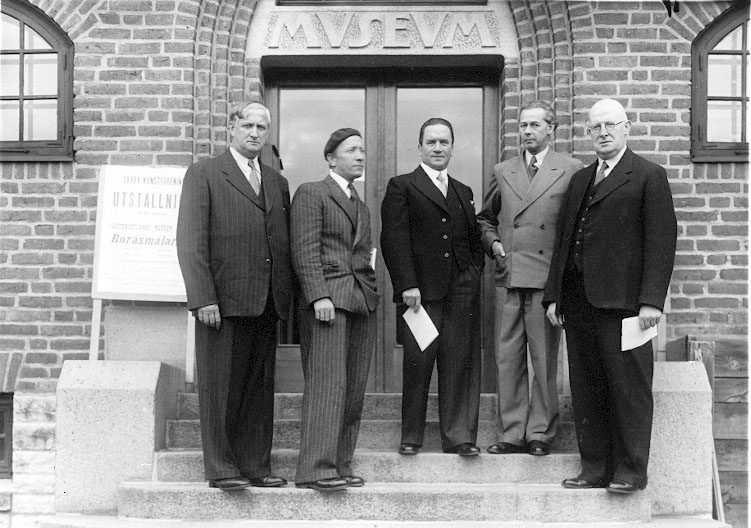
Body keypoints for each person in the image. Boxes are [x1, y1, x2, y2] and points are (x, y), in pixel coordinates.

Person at [543, 98, 677, 494]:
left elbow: (661, 241)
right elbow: (564, 240)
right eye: (596, 127)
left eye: (610, 125)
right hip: (579, 301)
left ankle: (631, 471)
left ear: (626, 128)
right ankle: (594, 468)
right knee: (587, 387)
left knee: (628, 388)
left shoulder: (648, 175)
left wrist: (651, 301)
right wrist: (555, 296)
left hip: (625, 304)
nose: (603, 133)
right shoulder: (581, 180)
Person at [176, 100, 294, 491]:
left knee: (258, 389)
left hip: (266, 301)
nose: (255, 133)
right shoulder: (206, 173)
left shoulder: (276, 182)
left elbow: (281, 240)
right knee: (220, 387)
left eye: (262, 127)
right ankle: (221, 467)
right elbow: (190, 240)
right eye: (248, 125)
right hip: (222, 303)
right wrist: (203, 298)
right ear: (232, 126)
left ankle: (256, 465)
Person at [478, 101, 585, 457]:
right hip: (509, 275)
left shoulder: (570, 169)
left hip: (546, 278)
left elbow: (576, 226)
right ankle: (511, 432)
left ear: (551, 129)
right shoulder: (502, 170)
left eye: (535, 125)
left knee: (543, 358)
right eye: (523, 125)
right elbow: (485, 219)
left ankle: (540, 431)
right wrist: (494, 244)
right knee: (508, 358)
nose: (527, 131)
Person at [381, 117, 485, 457]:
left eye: (444, 142)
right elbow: (394, 238)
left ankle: (459, 437)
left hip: (461, 291)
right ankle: (411, 436)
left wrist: (473, 272)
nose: (438, 148)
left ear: (452, 147)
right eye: (431, 142)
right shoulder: (402, 186)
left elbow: (472, 239)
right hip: (420, 295)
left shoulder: (463, 191)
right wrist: (407, 284)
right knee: (418, 362)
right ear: (420, 147)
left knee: (458, 363)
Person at [291, 128, 379, 492]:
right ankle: (316, 469)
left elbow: (365, 255)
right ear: (331, 158)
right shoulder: (312, 192)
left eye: (362, 150)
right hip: (327, 302)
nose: (360, 156)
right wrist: (318, 296)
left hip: (360, 302)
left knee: (353, 390)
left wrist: (370, 293)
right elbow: (304, 248)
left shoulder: (361, 205)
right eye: (351, 150)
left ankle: (341, 464)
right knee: (327, 386)